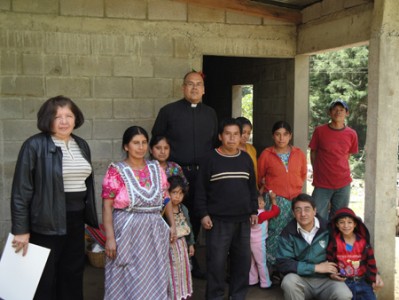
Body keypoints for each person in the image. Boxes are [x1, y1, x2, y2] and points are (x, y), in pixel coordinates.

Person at [10, 95, 99, 300]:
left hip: (76, 221)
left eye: (69, 115)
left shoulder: (82, 145)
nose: (64, 121)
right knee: (44, 278)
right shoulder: (34, 145)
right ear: (47, 119)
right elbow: (21, 191)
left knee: (73, 274)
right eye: (57, 116)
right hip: (45, 222)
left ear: (76, 118)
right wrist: (21, 230)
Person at [152, 70, 218, 278]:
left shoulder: (210, 114)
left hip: (202, 174)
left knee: (197, 216)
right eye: (190, 84)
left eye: (198, 84)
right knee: (172, 215)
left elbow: (215, 144)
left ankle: (191, 260)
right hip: (175, 174)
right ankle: (167, 260)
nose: (194, 88)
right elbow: (157, 142)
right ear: (183, 87)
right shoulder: (168, 111)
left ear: (204, 89)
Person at [102, 126, 177, 300]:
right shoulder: (116, 170)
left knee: (154, 272)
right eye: (136, 143)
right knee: (126, 272)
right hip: (127, 229)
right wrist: (110, 238)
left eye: (144, 142)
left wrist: (172, 225)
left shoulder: (155, 168)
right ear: (126, 146)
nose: (141, 147)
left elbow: (165, 197)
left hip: (154, 230)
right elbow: (107, 206)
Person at [195, 117, 258, 299]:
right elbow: (200, 190)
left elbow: (251, 187)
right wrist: (203, 214)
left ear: (241, 137)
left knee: (241, 264)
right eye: (228, 134)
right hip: (218, 221)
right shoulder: (209, 159)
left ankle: (237, 296)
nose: (232, 138)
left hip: (243, 220)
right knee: (216, 264)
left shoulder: (245, 158)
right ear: (220, 136)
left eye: (236, 134)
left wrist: (253, 210)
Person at [276, 193, 353, 300]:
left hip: (327, 280)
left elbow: (343, 253)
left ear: (315, 211)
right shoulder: (288, 233)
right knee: (288, 282)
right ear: (293, 213)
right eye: (298, 210)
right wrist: (315, 268)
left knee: (344, 295)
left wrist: (337, 270)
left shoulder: (329, 229)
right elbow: (283, 263)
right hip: (301, 279)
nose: (303, 214)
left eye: (307, 209)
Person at [257, 121, 307, 269]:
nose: (281, 138)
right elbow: (260, 177)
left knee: (292, 232)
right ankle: (271, 267)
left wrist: (294, 188)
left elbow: (302, 174)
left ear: (290, 136)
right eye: (278, 134)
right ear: (273, 136)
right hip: (275, 201)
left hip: (295, 200)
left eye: (285, 134)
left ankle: (287, 265)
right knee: (274, 232)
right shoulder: (267, 154)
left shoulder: (298, 153)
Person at [309, 99, 358, 220]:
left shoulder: (352, 134)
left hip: (343, 183)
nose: (338, 112)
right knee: (318, 216)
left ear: (347, 113)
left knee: (339, 217)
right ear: (329, 112)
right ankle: (321, 239)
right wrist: (317, 171)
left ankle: (335, 239)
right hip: (322, 183)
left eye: (341, 110)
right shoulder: (320, 131)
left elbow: (347, 155)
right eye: (335, 110)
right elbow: (313, 152)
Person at [327, 207, 384, 299]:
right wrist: (331, 274)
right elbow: (330, 260)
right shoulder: (334, 243)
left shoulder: (362, 242)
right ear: (337, 224)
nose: (346, 225)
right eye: (342, 222)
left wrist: (373, 279)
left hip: (362, 282)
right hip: (343, 283)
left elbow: (371, 261)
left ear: (355, 224)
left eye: (349, 222)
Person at [168, 175, 195, 300]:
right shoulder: (163, 212)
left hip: (182, 246)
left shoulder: (183, 209)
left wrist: (191, 244)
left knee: (183, 272)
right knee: (171, 273)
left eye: (180, 193)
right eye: (174, 192)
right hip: (169, 248)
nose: (177, 196)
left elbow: (188, 227)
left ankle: (182, 295)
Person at [249, 192, 280, 288]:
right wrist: (273, 200)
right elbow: (275, 212)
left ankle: (252, 280)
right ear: (261, 204)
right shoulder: (262, 215)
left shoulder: (249, 214)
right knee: (261, 263)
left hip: (249, 241)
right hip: (259, 242)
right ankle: (265, 283)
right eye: (262, 202)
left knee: (251, 263)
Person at [236, 116, 258, 182]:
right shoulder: (230, 149)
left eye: (248, 133)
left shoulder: (252, 149)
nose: (246, 136)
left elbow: (255, 171)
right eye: (243, 132)